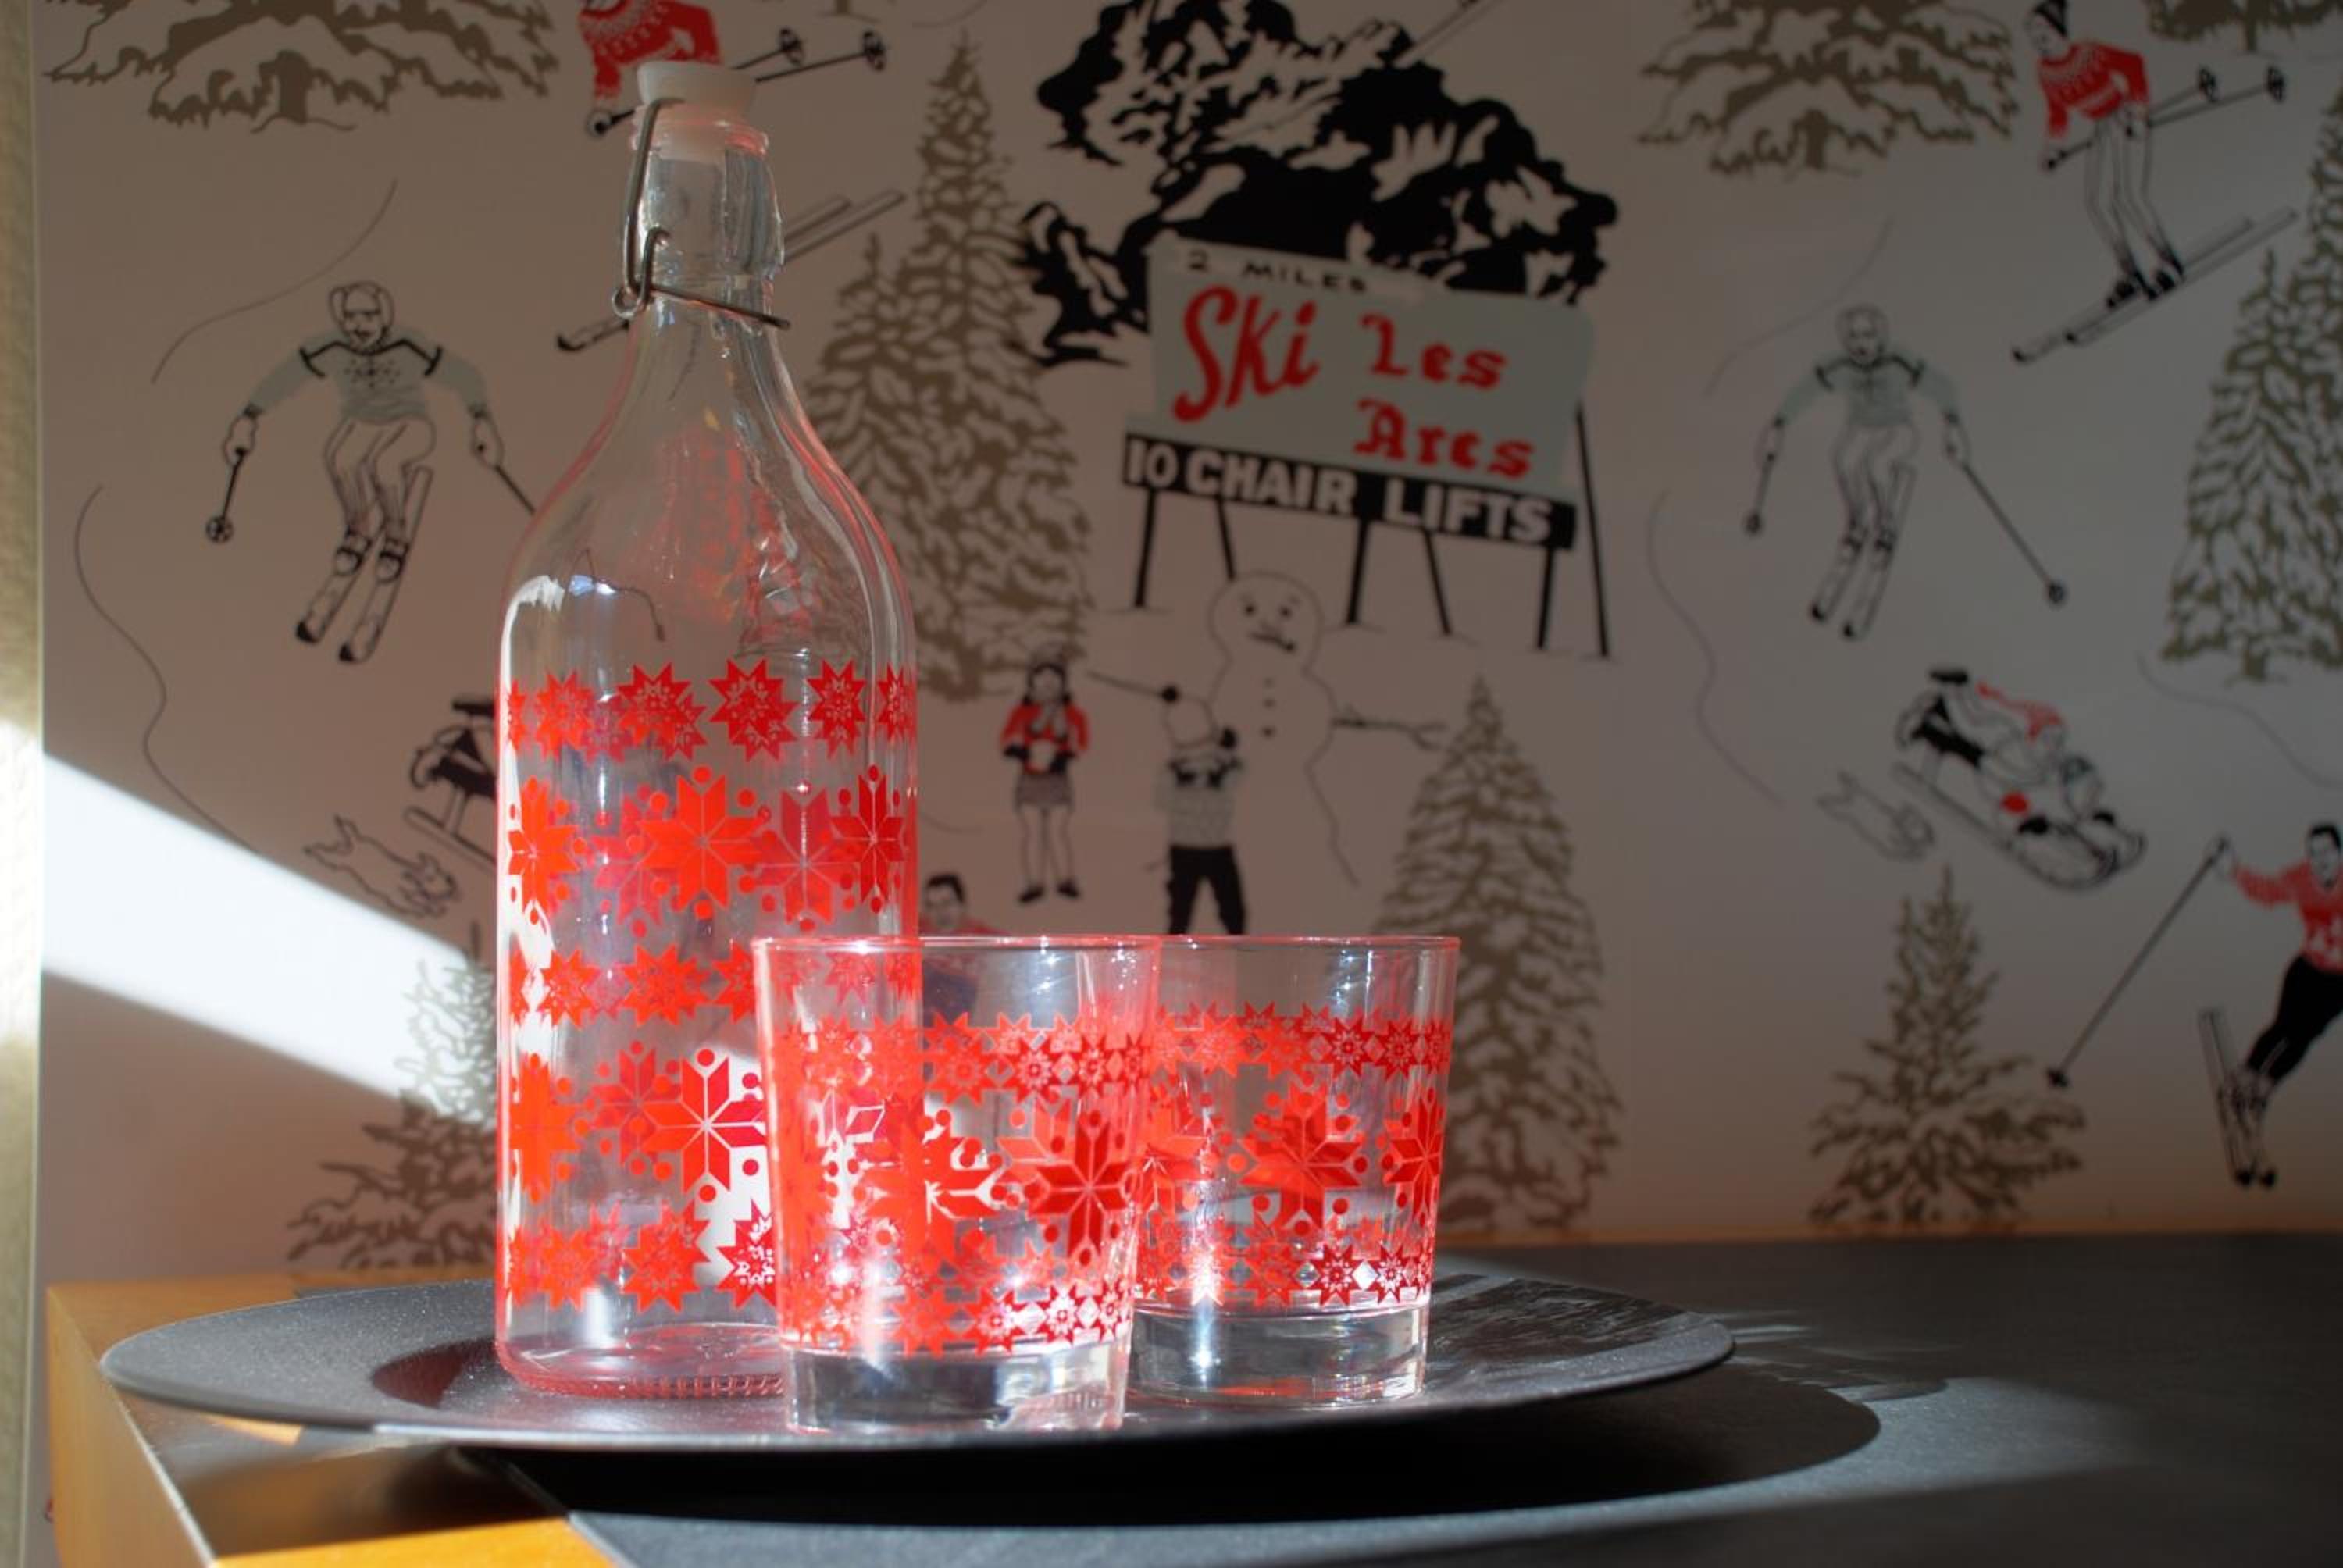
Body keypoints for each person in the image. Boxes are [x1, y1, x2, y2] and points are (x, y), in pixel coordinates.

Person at [224, 282, 505, 652]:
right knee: (339, 459)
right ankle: (358, 531)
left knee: (385, 466)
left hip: (409, 423)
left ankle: (395, 538)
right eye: (352, 318)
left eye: (369, 316)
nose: (360, 326)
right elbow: (286, 377)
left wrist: (481, 420)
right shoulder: (331, 347)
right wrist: (248, 417)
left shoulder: (405, 344)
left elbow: (463, 375)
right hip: (361, 422)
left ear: (383, 315)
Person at [1761, 305, 1966, 640]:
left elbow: (1940, 387)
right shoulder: (1839, 366)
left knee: (1877, 464)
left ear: (1881, 336)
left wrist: (1952, 424)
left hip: (1898, 429)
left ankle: (1885, 527)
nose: (1861, 344)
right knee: (1843, 458)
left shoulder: (1897, 361)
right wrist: (1779, 422)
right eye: (1853, 337)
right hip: (1860, 428)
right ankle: (1858, 524)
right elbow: (1804, 392)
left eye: (1868, 335)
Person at [2027, 0, 2181, 306]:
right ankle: (2130, 272)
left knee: (2128, 196)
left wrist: (2138, 111)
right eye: (2032, 33)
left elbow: (2133, 63)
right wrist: (2053, 147)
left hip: (2125, 118)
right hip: (2102, 128)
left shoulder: (2088, 53)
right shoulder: (2045, 72)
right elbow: (2058, 113)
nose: (2038, 38)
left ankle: (2169, 263)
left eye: (2043, 29)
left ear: (2058, 28)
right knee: (2096, 202)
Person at [2221, 824, 2343, 1120]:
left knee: (2303, 1036)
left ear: (2339, 853)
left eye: (2327, 852)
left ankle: (2264, 1087)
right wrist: (2234, 869)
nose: (2321, 861)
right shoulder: (2301, 879)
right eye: (2314, 854)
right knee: (2284, 1026)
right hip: (2307, 970)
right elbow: (2268, 891)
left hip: (2339, 982)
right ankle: (2246, 1076)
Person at [999, 652, 1088, 902]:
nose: (1048, 681)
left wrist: (1061, 756)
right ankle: (1034, 882)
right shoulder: (1022, 713)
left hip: (1057, 780)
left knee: (1058, 830)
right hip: (1030, 779)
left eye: (1054, 676)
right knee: (1033, 830)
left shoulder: (1072, 715)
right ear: (1032, 680)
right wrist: (1024, 752)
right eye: (1042, 675)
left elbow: (1081, 744)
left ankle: (1064, 879)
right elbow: (1007, 741)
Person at [1153, 695, 1246, 934]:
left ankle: (1241, 951)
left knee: (1233, 914)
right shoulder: (1174, 769)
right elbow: (1162, 800)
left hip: (1216, 845)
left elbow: (1237, 777)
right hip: (1187, 847)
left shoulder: (1223, 763)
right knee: (1180, 914)